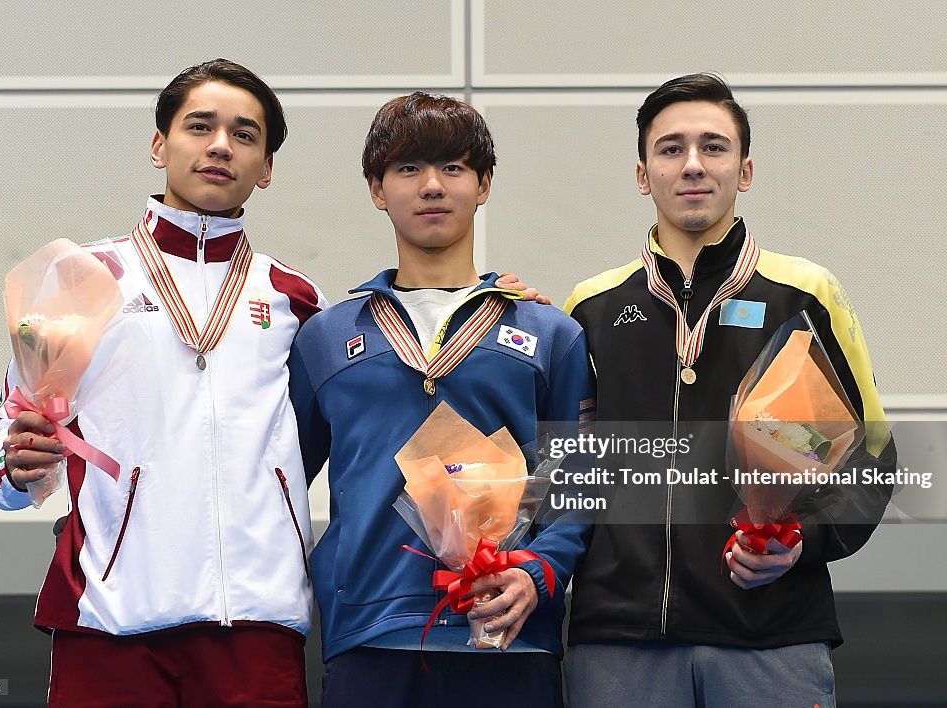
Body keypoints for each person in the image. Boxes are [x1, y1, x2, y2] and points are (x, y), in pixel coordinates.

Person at [0, 58, 325, 706]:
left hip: (256, 622)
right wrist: (17, 465)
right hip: (110, 617)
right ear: (160, 144)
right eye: (201, 126)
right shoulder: (83, 278)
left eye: (246, 135)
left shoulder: (294, 298)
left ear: (268, 168)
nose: (221, 145)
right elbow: (5, 442)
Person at [562, 73, 896, 707]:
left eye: (713, 147)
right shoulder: (591, 306)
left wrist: (800, 543)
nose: (692, 164)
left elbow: (873, 456)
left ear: (745, 170)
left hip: (771, 639)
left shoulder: (804, 294)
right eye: (670, 148)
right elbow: (567, 471)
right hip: (618, 644)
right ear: (642, 174)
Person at [288, 92, 595, 707]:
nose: (432, 185)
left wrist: (538, 572)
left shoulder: (548, 332)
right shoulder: (325, 337)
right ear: (377, 189)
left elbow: (581, 477)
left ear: (484, 185)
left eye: (453, 168)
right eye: (407, 169)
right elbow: (280, 478)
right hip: (370, 634)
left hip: (509, 629)